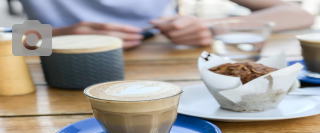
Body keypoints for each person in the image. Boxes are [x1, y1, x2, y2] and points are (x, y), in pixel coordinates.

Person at [20, 0, 314, 49]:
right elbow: (12, 43)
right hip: (50, 71)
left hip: (167, 64)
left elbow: (299, 15)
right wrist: (52, 37)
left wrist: (213, 27)